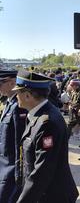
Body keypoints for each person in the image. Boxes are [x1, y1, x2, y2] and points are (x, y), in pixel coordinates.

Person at [14, 70, 78, 203]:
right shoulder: (37, 114)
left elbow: (43, 170)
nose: (16, 96)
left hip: (51, 195)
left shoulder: (47, 122)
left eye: (18, 92)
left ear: (27, 95)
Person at [0, 70, 26, 203]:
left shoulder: (18, 106)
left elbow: (19, 143)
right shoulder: (8, 103)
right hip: (4, 164)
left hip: (11, 168)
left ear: (12, 83)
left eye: (1, 83)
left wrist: (19, 172)